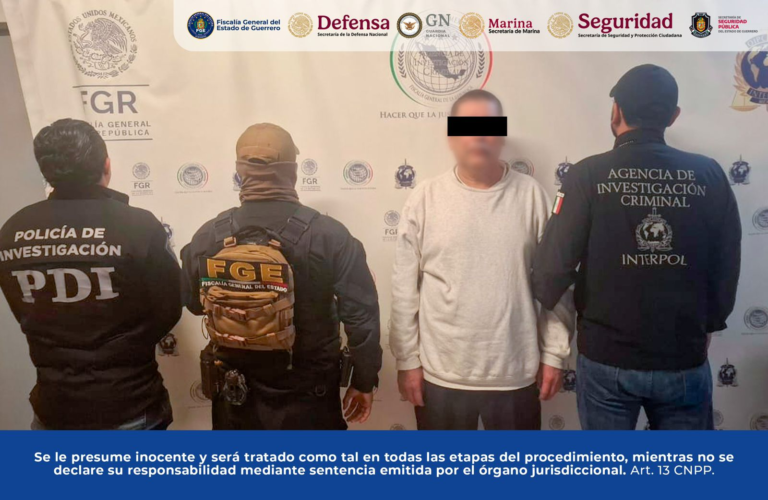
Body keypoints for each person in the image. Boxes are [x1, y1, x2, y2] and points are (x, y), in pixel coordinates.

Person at [532, 64, 741, 430]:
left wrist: (539, 311)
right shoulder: (709, 174)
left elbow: (551, 269)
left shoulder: (587, 175)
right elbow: (727, 264)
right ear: (673, 116)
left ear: (616, 112)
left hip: (606, 359)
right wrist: (708, 324)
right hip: (683, 356)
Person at [390, 90, 575, 430]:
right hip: (440, 375)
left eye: (488, 126)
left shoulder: (531, 196)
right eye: (467, 126)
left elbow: (556, 283)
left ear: (501, 135)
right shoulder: (425, 198)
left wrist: (553, 353)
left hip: (515, 374)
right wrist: (406, 360)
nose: (478, 135)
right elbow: (404, 290)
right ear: (452, 136)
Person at [181, 123, 381, 430]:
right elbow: (361, 316)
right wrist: (364, 380)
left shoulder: (209, 236)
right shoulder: (328, 235)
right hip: (309, 399)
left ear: (240, 171)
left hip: (235, 397)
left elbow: (194, 304)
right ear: (292, 172)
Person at [0, 119, 181, 430]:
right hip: (129, 404)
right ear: (106, 165)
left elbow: (25, 311)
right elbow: (170, 307)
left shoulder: (12, 230)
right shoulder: (138, 226)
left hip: (53, 408)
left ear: (47, 171)